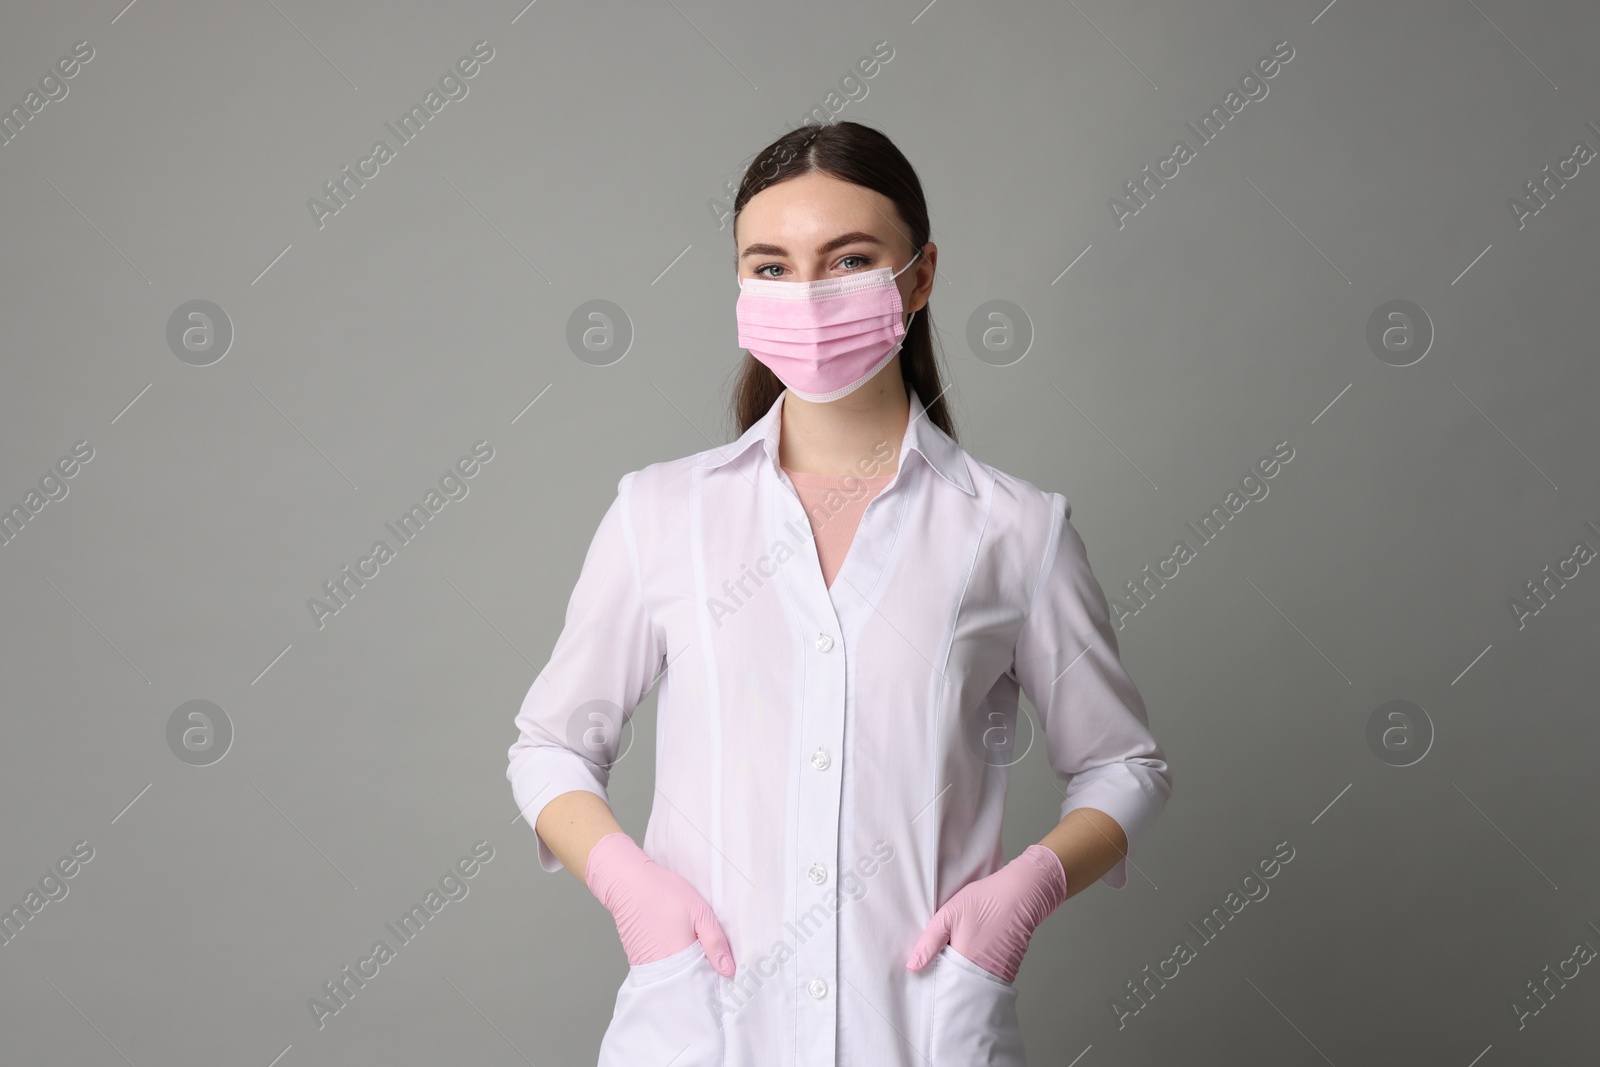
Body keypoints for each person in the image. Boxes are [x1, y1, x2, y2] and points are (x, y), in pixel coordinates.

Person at [506, 120, 1173, 1067]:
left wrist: (1024, 892)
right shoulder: (664, 514)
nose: (807, 294)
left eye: (849, 258)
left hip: (923, 1035)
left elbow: (1125, 766)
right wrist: (630, 889)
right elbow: (550, 747)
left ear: (922, 273)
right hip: (700, 1032)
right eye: (770, 267)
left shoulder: (1015, 531)